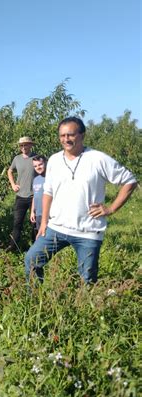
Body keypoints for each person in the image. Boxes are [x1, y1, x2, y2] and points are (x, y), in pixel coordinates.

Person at [25, 117, 137, 284]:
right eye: (62, 135)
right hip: (56, 228)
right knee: (31, 260)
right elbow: (48, 192)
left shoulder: (98, 159)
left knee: (87, 279)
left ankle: (83, 307)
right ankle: (34, 302)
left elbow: (129, 181)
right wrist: (44, 223)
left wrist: (110, 208)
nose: (66, 139)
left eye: (70, 135)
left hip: (88, 232)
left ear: (82, 135)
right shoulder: (54, 160)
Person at [6, 136, 37, 251]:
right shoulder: (17, 159)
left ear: (30, 145)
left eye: (26, 145)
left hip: (34, 196)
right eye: (21, 145)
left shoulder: (36, 158)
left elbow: (45, 170)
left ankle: (35, 246)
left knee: (34, 223)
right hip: (20, 196)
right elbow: (9, 171)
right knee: (17, 223)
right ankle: (13, 245)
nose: (23, 147)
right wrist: (13, 184)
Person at [29, 155, 47, 232]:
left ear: (46, 163)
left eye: (40, 164)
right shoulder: (35, 179)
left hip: (48, 214)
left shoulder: (51, 177)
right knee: (40, 237)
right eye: (35, 166)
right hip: (38, 214)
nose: (38, 167)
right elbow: (35, 196)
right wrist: (32, 212)